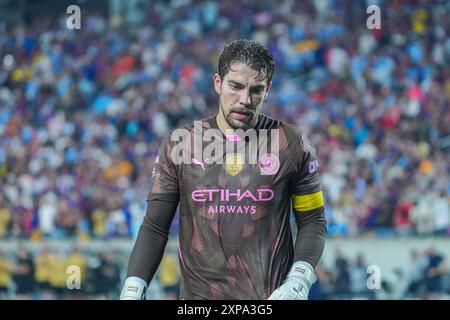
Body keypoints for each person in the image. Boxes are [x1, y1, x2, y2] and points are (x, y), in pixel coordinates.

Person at [120, 39, 327, 300]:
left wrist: (300, 278)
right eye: (236, 86)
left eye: (256, 90)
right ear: (218, 82)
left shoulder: (291, 143)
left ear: (268, 90)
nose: (244, 100)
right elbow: (155, 226)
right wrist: (133, 288)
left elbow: (313, 221)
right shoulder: (181, 143)